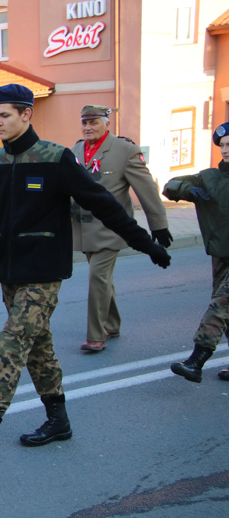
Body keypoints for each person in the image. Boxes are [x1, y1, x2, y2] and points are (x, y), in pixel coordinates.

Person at [0, 84, 171, 464]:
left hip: (44, 271)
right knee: (38, 348)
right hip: (9, 272)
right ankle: (58, 421)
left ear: (27, 114)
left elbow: (105, 205)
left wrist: (146, 243)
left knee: (13, 343)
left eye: (5, 116)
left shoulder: (56, 158)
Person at [71, 105, 172, 352]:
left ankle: (96, 336)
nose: (87, 128)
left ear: (107, 123)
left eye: (94, 122)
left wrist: (158, 226)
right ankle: (113, 324)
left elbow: (146, 190)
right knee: (102, 279)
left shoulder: (124, 150)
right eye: (84, 123)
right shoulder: (74, 150)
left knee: (97, 277)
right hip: (82, 231)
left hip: (111, 229)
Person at [163, 122, 229, 383]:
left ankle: (196, 360)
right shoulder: (209, 177)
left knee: (220, 305)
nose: (225, 149)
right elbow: (170, 185)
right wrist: (189, 190)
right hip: (221, 255)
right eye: (222, 145)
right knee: (225, 310)